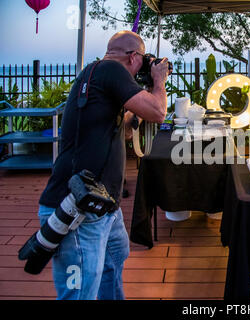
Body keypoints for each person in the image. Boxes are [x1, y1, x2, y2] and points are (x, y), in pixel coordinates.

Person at [37, 30, 169, 299]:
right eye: (142, 61)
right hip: (77, 208)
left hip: (103, 203)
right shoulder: (112, 70)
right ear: (133, 57)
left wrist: (137, 105)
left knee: (113, 263)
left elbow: (128, 129)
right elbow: (158, 112)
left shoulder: (95, 72)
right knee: (80, 291)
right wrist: (158, 81)